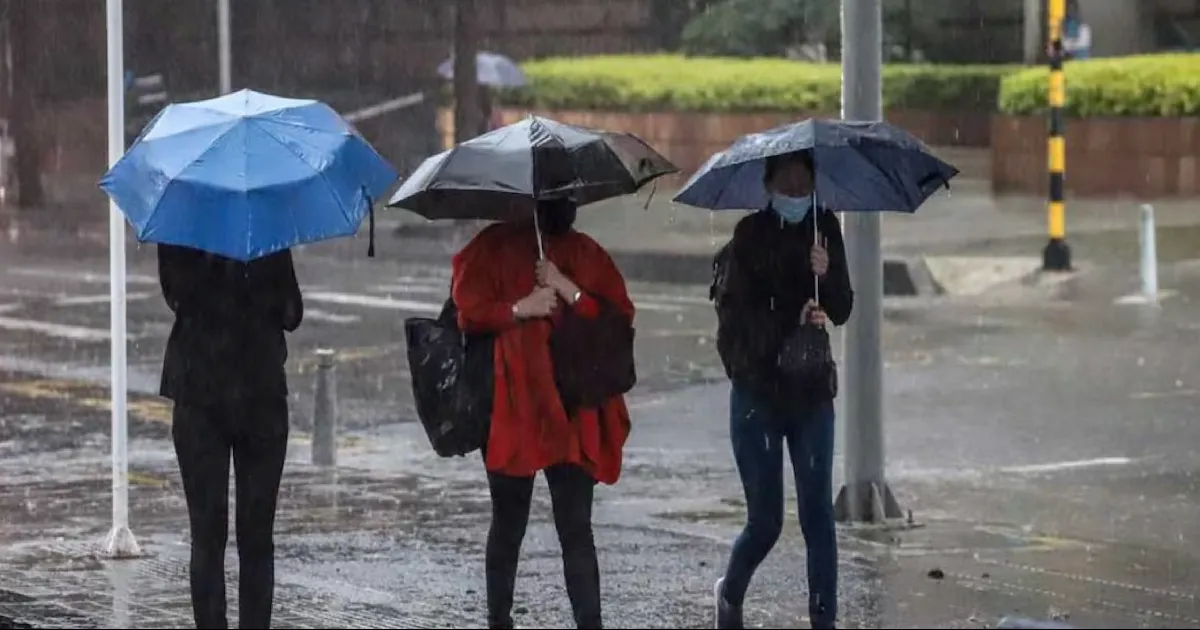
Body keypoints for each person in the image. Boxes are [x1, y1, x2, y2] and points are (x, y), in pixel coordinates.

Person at [451, 197, 635, 629]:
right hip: (514, 407)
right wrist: (520, 308)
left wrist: (565, 285)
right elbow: (468, 312)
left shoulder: (587, 254)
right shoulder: (492, 247)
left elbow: (616, 322)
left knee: (575, 527)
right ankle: (500, 620)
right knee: (509, 522)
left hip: (574, 412)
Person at [710, 151, 853, 630]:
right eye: (787, 185)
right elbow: (735, 321)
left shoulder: (824, 227)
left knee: (818, 517)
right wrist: (787, 322)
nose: (796, 194)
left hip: (810, 391)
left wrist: (827, 272)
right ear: (769, 186)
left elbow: (844, 307)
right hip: (757, 395)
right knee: (766, 521)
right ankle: (730, 594)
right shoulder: (749, 236)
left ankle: (823, 619)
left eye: (804, 184)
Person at [157, 244, 303, 630]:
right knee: (257, 539)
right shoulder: (266, 226)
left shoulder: (183, 224)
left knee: (207, 536)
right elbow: (292, 313)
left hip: (199, 391)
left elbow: (175, 295)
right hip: (261, 393)